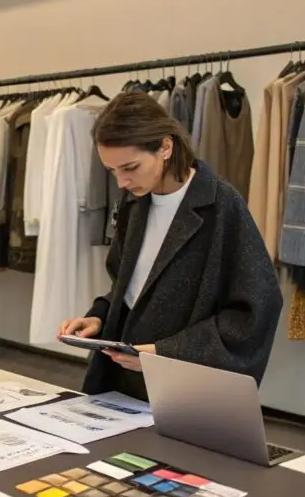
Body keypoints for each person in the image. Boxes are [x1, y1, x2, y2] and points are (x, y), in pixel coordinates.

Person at [59, 91, 282, 400]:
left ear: (165, 146)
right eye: (112, 171)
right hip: (122, 381)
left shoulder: (221, 206)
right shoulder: (134, 202)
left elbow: (256, 310)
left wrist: (167, 352)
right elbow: (130, 288)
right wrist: (98, 316)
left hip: (185, 390)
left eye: (130, 167)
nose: (121, 182)